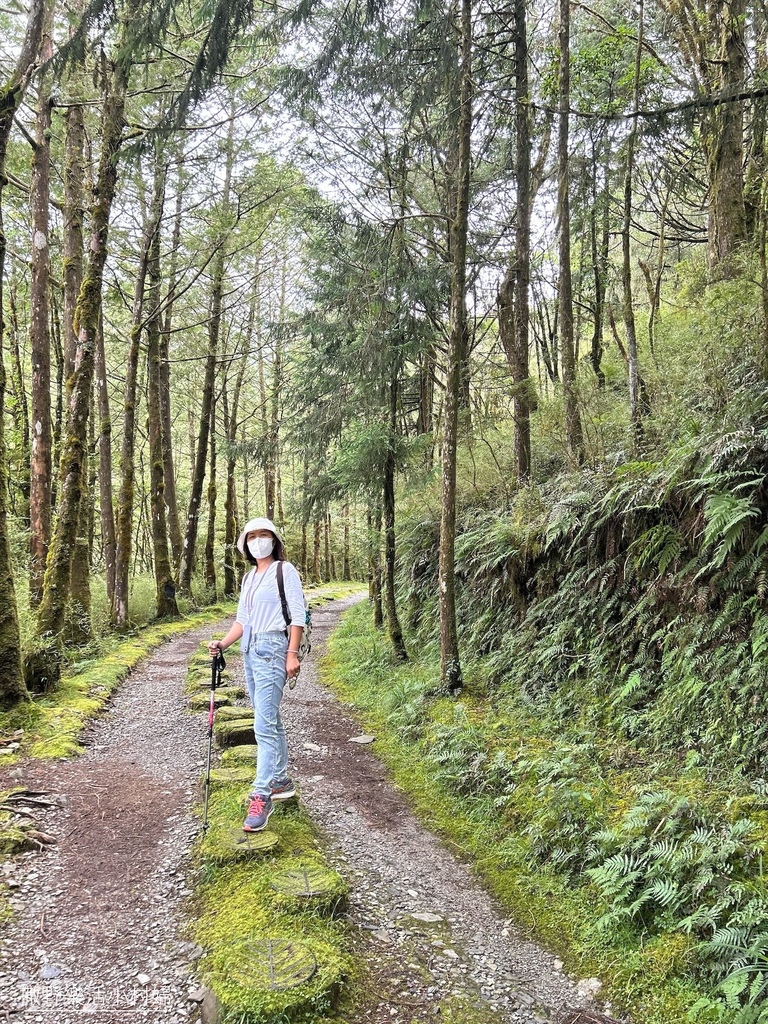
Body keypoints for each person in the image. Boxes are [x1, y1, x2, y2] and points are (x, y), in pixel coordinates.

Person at [207, 517, 306, 832]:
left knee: (262, 724)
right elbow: (242, 620)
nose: (258, 540)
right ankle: (279, 779)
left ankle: (261, 794)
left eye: (264, 535)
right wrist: (222, 642)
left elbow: (298, 615)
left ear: (274, 540)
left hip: (275, 649)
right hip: (250, 650)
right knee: (269, 717)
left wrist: (292, 653)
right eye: (252, 536)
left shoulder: (284, 571)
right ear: (245, 544)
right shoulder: (249, 578)